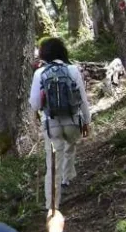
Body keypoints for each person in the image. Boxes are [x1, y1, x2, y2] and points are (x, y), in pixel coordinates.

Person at [29, 37, 91, 210]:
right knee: (70, 145)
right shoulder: (72, 70)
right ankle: (67, 179)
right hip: (73, 121)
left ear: (45, 54)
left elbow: (35, 104)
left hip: (52, 124)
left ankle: (52, 206)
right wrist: (87, 121)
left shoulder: (40, 73)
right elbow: (82, 99)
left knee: (53, 164)